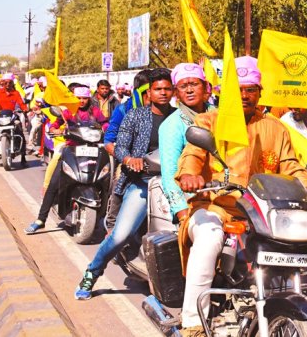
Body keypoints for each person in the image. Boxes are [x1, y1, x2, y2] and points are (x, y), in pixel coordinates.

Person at [175, 56, 307, 336]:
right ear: (224, 93)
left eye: (250, 89)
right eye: (237, 90)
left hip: (262, 212)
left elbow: (290, 165)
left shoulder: (275, 127)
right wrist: (190, 176)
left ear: (259, 93)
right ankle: (193, 321)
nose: (244, 95)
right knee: (208, 239)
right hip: (215, 207)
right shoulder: (209, 121)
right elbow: (193, 154)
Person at [74, 68, 174, 300]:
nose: (163, 93)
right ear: (149, 92)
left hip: (173, 185)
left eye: (167, 89)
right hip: (142, 183)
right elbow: (119, 145)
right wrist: (129, 159)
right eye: (158, 89)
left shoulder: (179, 118)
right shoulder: (134, 115)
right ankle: (92, 272)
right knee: (120, 235)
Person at [25, 87, 108, 234]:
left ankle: (104, 218)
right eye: (79, 98)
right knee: (53, 183)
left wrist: (105, 128)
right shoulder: (69, 111)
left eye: (84, 98)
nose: (81, 101)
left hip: (93, 149)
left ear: (89, 99)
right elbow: (55, 124)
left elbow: (105, 123)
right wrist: (55, 129)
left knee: (105, 180)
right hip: (71, 149)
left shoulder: (95, 111)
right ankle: (41, 219)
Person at [159, 63, 214, 223]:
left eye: (194, 84)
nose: (189, 90)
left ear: (205, 87)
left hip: (223, 195)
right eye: (183, 86)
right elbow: (170, 174)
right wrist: (182, 213)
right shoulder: (172, 125)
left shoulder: (218, 115)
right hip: (192, 201)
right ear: (176, 92)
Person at [103, 70, 151, 233]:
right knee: (120, 182)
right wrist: (127, 159)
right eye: (150, 91)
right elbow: (109, 142)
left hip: (158, 166)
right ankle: (112, 228)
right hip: (130, 164)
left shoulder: (167, 111)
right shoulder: (123, 110)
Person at [0, 73, 29, 165]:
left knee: (20, 132)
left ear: (12, 83)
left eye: (9, 83)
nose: (7, 85)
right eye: (5, 82)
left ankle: (23, 156)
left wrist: (25, 109)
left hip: (12, 115)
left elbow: (21, 103)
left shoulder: (16, 93)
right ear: (2, 83)